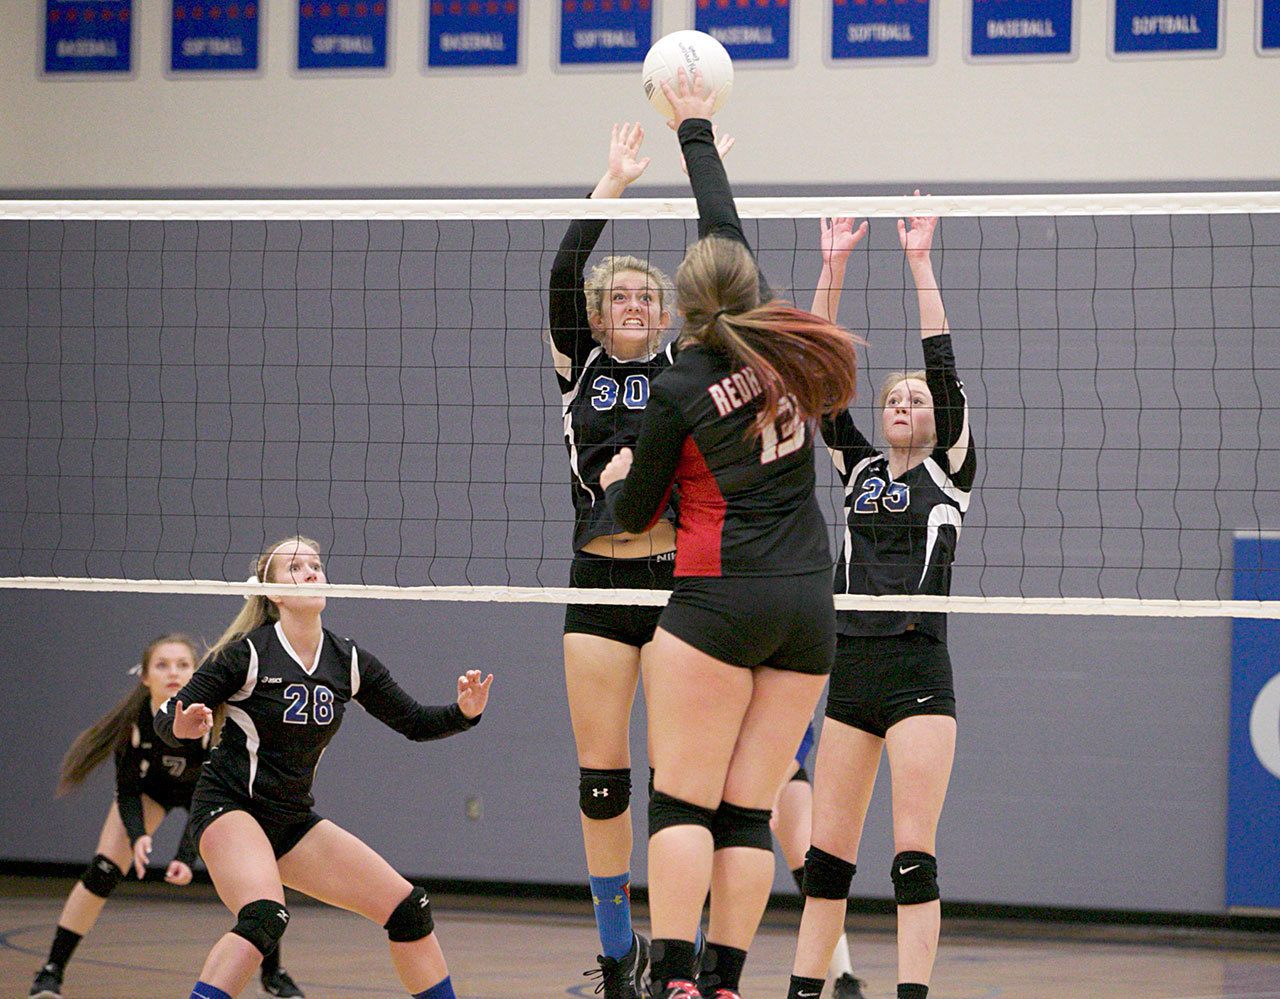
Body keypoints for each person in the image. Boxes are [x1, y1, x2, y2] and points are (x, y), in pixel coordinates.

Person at [598, 69, 860, 999]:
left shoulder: (676, 386)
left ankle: (670, 977)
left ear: (683, 305)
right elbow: (726, 231)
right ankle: (721, 981)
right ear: (746, 290)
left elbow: (632, 521)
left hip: (716, 600)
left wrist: (630, 474)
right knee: (749, 810)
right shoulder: (784, 342)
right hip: (806, 606)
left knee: (681, 800)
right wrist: (696, 130)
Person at [548, 120, 727, 999]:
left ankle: (680, 957)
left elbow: (722, 285)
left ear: (662, 314)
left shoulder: (682, 370)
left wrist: (710, 178)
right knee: (601, 783)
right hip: (596, 583)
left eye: (644, 298)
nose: (631, 304)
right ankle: (621, 956)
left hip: (671, 583)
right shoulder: (576, 366)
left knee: (680, 781)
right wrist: (612, 180)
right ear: (597, 314)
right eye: (616, 296)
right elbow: (559, 273)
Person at [152, 536, 493, 999]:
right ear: (272, 593)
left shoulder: (346, 660)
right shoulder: (246, 654)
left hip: (291, 820)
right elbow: (166, 720)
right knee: (265, 917)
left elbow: (413, 722)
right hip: (229, 809)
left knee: (409, 909)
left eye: (316, 564)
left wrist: (464, 713)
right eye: (296, 568)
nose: (312, 572)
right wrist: (185, 728)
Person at [787, 209, 974, 999]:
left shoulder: (951, 472)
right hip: (850, 666)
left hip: (918, 669)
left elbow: (942, 361)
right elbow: (815, 374)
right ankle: (802, 989)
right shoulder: (860, 469)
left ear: (936, 417)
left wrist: (918, 260)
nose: (903, 403)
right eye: (893, 396)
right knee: (827, 860)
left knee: (909, 854)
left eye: (916, 399)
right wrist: (832, 267)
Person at [29, 633, 305, 999]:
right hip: (150, 792)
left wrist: (184, 858)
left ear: (197, 672)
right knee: (104, 871)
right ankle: (51, 971)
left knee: (261, 874)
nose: (173, 672)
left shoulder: (212, 720)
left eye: (183, 665)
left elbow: (204, 803)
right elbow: (128, 791)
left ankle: (274, 973)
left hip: (208, 796)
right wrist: (138, 835)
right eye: (162, 665)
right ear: (145, 677)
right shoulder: (134, 723)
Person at [771, 724, 864, 999]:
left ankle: (844, 978)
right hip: (728, 759)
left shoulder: (796, 684)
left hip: (782, 765)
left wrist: (772, 793)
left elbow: (803, 736)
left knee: (815, 872)